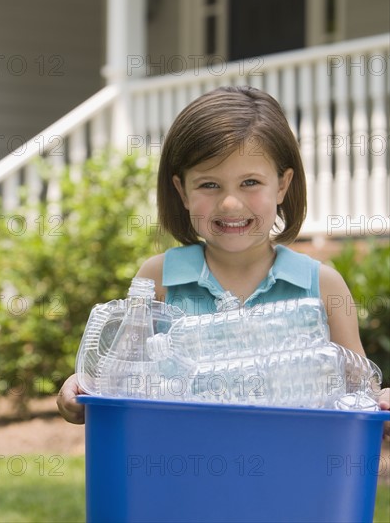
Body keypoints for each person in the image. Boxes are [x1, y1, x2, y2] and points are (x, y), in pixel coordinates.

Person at [57, 85, 390, 428]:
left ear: (282, 185)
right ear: (181, 190)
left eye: (250, 182)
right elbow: (120, 379)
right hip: (180, 468)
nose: (230, 204)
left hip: (291, 469)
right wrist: (81, 386)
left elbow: (360, 391)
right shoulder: (158, 278)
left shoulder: (321, 285)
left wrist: (380, 400)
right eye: (209, 185)